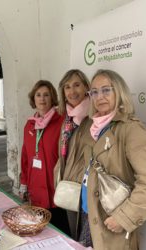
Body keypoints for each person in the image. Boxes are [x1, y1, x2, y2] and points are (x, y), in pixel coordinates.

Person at [78, 69, 146, 249]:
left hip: (112, 221)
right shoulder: (93, 128)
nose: (100, 96)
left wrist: (124, 218)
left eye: (106, 90)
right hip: (88, 213)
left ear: (119, 91)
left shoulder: (130, 129)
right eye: (94, 92)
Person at [19, 80, 69, 234]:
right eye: (38, 95)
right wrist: (23, 184)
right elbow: (25, 157)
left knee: (60, 232)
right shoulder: (29, 125)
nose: (42, 99)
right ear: (33, 99)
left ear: (52, 97)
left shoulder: (62, 121)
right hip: (36, 191)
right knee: (40, 233)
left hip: (55, 189)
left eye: (46, 95)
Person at [53, 69, 91, 239]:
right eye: (67, 87)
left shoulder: (94, 117)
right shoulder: (68, 119)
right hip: (69, 186)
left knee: (86, 238)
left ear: (86, 87)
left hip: (86, 190)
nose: (72, 91)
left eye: (77, 85)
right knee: (74, 235)